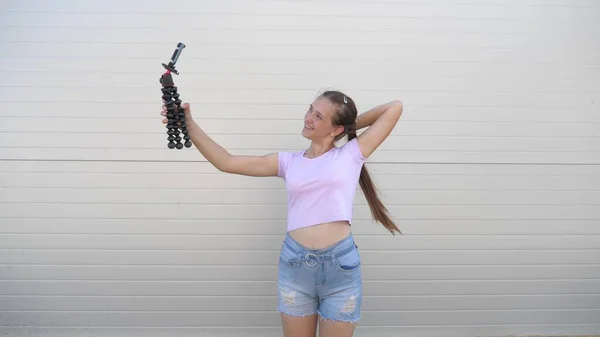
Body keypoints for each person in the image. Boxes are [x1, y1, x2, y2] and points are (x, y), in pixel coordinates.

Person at [161, 90, 403, 337]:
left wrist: (347, 126)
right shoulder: (289, 162)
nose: (308, 118)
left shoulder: (350, 154)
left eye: (318, 116)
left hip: (339, 267)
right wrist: (188, 123)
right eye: (310, 109)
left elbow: (394, 107)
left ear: (336, 129)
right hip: (295, 264)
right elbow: (226, 162)